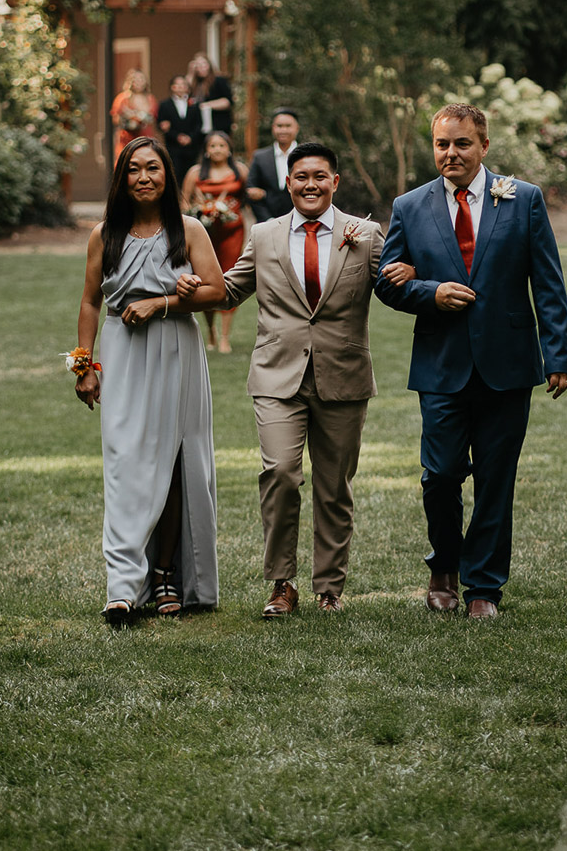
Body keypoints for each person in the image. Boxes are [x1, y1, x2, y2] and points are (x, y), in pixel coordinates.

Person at [375, 103, 567, 619]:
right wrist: (429, 292)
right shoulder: (410, 206)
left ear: (483, 146)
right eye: (442, 144)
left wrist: (558, 354)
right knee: (438, 475)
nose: (451, 154)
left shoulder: (523, 198)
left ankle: (483, 587)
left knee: (495, 478)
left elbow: (547, 282)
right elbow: (387, 282)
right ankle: (443, 564)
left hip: (508, 363)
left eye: (462, 144)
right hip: (441, 362)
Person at [178, 142, 384, 618]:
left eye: (320, 176)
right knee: (281, 474)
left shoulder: (366, 233)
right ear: (288, 183)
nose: (310, 184)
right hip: (276, 376)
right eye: (301, 177)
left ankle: (329, 587)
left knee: (334, 486)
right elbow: (230, 290)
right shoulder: (266, 235)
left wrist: (410, 276)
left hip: (343, 376)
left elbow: (394, 287)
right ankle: (281, 584)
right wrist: (193, 285)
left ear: (335, 181)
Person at [73, 136, 225, 625]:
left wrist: (166, 302)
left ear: (167, 175)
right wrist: (84, 367)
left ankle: (164, 576)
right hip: (121, 352)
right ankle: (122, 587)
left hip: (176, 350)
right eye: (135, 169)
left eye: (153, 168)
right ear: (123, 177)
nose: (144, 177)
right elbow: (91, 302)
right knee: (124, 464)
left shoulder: (190, 230)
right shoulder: (104, 234)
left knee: (177, 463)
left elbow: (218, 292)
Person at [181, 131, 250, 355]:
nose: (217, 149)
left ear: (229, 149)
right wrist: (200, 211)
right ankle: (210, 329)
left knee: (230, 279)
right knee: (205, 279)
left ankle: (225, 337)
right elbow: (185, 201)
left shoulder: (240, 170)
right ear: (207, 150)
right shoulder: (195, 172)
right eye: (213, 146)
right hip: (205, 234)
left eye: (222, 145)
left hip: (233, 232)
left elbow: (247, 197)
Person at [246, 108, 300, 222]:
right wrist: (268, 220)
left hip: (301, 222)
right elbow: (251, 190)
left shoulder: (307, 156)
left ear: (297, 128)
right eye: (279, 126)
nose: (283, 130)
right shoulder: (260, 157)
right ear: (273, 128)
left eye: (288, 126)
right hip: (266, 223)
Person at [157, 74, 203, 185]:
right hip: (174, 146)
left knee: (191, 174)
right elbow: (161, 125)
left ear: (187, 87)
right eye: (177, 85)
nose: (180, 87)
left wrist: (190, 138)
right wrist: (177, 137)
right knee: (175, 174)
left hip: (191, 147)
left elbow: (199, 124)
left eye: (183, 85)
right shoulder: (165, 105)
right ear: (172, 87)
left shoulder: (194, 104)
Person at [110, 67, 158, 163]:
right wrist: (129, 120)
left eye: (141, 79)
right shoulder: (123, 98)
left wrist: (136, 115)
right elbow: (116, 118)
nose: (138, 82)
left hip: (145, 137)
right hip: (127, 139)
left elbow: (153, 117)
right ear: (130, 81)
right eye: (135, 79)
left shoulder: (150, 99)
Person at [186, 52, 233, 137]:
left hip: (218, 124)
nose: (201, 68)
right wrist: (190, 73)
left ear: (209, 65)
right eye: (198, 66)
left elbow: (227, 102)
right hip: (200, 128)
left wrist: (206, 105)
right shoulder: (196, 84)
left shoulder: (219, 80)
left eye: (204, 64)